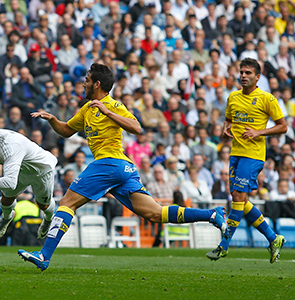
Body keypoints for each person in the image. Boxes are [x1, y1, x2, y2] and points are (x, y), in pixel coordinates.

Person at [19, 63, 228, 271]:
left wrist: (107, 112)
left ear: (97, 84)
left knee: (67, 203)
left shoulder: (113, 105)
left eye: (87, 80)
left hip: (109, 163)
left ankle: (44, 255)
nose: (83, 84)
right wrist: (53, 119)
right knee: (155, 213)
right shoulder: (86, 109)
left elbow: (137, 127)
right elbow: (66, 131)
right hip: (121, 169)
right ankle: (211, 214)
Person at [206, 58, 286, 263]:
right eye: (241, 72)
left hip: (254, 155)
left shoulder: (266, 99)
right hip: (236, 153)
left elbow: (282, 126)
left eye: (248, 73)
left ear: (257, 77)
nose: (243, 76)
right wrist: (226, 127)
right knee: (239, 199)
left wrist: (260, 131)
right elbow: (229, 119)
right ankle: (273, 238)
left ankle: (224, 246)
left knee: (238, 197)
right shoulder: (232, 97)